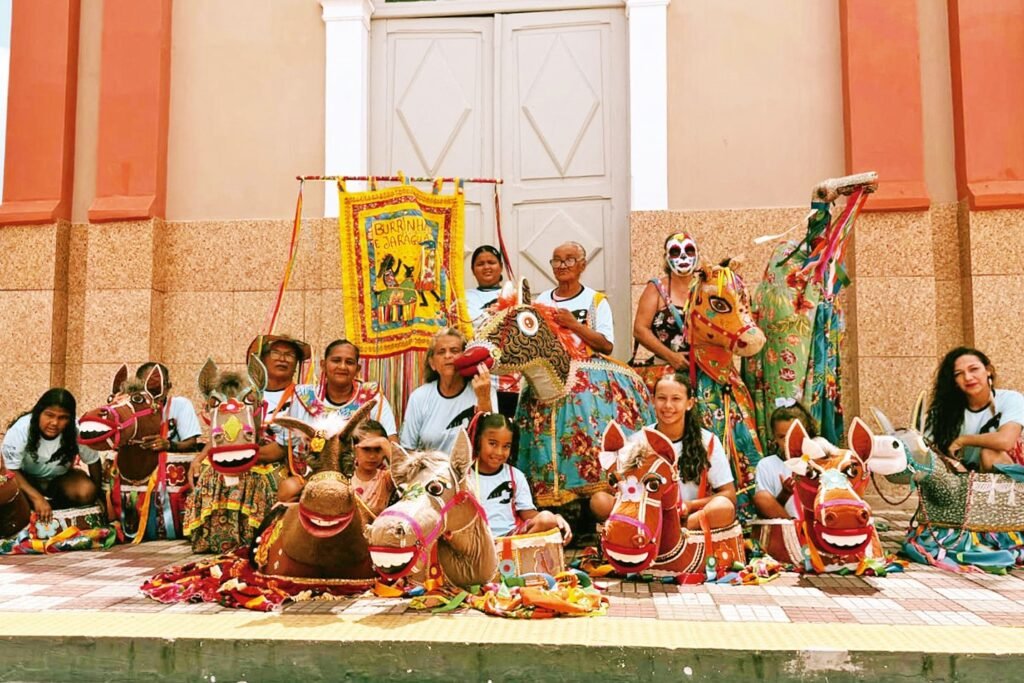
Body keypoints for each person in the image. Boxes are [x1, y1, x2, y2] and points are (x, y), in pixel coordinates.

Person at [183, 334, 311, 552]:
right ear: (261, 362)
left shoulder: (303, 396)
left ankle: (258, 536)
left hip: (280, 457)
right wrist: (201, 457)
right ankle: (214, 538)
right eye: (276, 353)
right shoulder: (243, 392)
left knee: (259, 478)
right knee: (209, 471)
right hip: (237, 451)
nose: (283, 359)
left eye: (290, 355)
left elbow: (282, 448)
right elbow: (224, 428)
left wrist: (242, 454)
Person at [590, 372, 736, 531]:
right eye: (662, 398)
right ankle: (653, 530)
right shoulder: (637, 441)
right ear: (653, 401)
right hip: (645, 518)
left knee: (724, 507)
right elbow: (620, 489)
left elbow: (729, 494)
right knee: (599, 502)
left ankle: (677, 531)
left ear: (689, 403)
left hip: (688, 518)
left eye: (676, 399)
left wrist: (690, 505)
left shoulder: (708, 441)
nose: (668, 406)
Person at [275, 339, 398, 502]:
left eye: (349, 362)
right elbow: (282, 446)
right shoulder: (303, 396)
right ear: (323, 365)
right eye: (336, 360)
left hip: (360, 477)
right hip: (312, 476)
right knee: (287, 490)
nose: (342, 366)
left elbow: (393, 445)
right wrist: (250, 453)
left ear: (357, 369)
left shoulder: (372, 398)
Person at [1, 389, 102, 523]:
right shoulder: (21, 429)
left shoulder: (76, 429)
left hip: (59, 480)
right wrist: (37, 498)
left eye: (63, 418)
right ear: (39, 413)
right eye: (49, 415)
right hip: (25, 479)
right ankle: (33, 505)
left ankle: (55, 508)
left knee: (86, 491)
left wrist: (97, 494)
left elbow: (93, 461)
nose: (54, 423)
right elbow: (10, 470)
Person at [469, 412, 571, 542]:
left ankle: (512, 548)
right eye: (493, 443)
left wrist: (555, 518)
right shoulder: (465, 476)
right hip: (474, 540)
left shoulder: (515, 475)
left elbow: (527, 514)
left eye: (506, 446)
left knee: (547, 518)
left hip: (510, 536)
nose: (499, 452)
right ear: (478, 440)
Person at [926, 347, 1024, 473]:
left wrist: (963, 440)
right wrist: (955, 465)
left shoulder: (1010, 399)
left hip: (1011, 477)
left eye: (974, 369)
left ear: (988, 371)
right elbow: (929, 451)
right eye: (958, 374)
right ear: (954, 381)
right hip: (963, 477)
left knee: (990, 453)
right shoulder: (944, 411)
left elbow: (1005, 441)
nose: (967, 377)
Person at [401, 327, 498, 452]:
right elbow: (408, 448)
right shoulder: (419, 397)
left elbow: (493, 439)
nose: (448, 356)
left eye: (454, 350)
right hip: (431, 464)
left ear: (467, 357)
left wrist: (483, 398)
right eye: (441, 352)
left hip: (472, 464)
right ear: (432, 364)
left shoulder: (485, 390)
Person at [631, 232, 698, 375]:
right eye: (675, 252)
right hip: (665, 371)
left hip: (705, 371)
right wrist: (670, 356)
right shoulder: (656, 288)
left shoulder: (707, 287)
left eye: (689, 250)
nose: (683, 256)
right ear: (666, 257)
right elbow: (640, 329)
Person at [465, 244, 519, 418]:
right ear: (473, 270)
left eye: (491, 262)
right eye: (480, 264)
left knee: (509, 424)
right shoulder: (464, 298)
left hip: (510, 377)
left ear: (500, 267)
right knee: (483, 422)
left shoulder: (515, 295)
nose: (486, 267)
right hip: (477, 377)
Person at [535, 241, 614, 356]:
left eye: (569, 260)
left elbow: (607, 347)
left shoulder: (595, 300)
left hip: (585, 365)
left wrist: (573, 324)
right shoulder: (542, 299)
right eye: (557, 261)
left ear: (583, 265)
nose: (562, 266)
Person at [753, 401, 817, 519]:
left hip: (817, 522)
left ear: (806, 432)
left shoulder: (819, 461)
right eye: (782, 437)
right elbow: (763, 510)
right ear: (774, 437)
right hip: (787, 526)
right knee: (761, 497)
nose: (788, 441)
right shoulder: (766, 465)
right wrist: (785, 493)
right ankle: (796, 527)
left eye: (794, 435)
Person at [134, 362, 202, 454]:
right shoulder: (130, 407)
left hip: (170, 461)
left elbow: (191, 443)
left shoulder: (181, 404)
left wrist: (169, 445)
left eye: (159, 386)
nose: (155, 393)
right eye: (149, 387)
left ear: (168, 386)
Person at [350, 419, 396, 518]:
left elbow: (406, 475)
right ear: (354, 449)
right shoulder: (345, 478)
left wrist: (384, 443)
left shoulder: (386, 479)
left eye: (378, 449)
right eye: (366, 449)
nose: (372, 456)